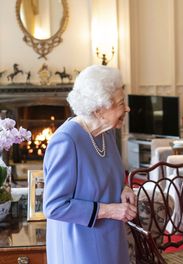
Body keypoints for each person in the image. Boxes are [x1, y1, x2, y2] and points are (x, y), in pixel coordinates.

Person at [43, 65, 137, 264]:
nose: (127, 108)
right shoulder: (67, 141)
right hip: (79, 247)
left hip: (110, 238)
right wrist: (111, 210)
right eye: (121, 103)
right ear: (99, 109)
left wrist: (124, 187)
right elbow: (54, 206)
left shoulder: (107, 132)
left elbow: (106, 175)